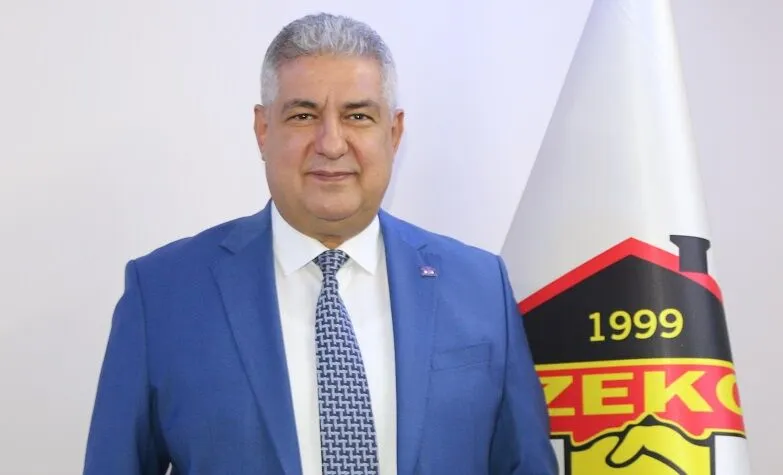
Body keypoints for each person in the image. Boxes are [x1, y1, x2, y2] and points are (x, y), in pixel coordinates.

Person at [82, 12, 556, 475]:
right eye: (303, 115)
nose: (331, 143)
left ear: (394, 133)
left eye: (358, 116)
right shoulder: (163, 295)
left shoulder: (480, 287)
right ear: (263, 130)